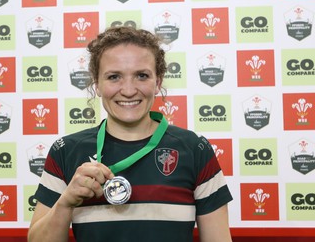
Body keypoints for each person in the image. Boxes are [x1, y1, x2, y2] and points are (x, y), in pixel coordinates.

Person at [28, 26, 233, 242]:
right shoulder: (66, 151)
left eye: (142, 76)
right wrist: (66, 202)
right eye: (114, 77)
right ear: (97, 84)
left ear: (158, 82)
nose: (128, 90)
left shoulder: (194, 149)